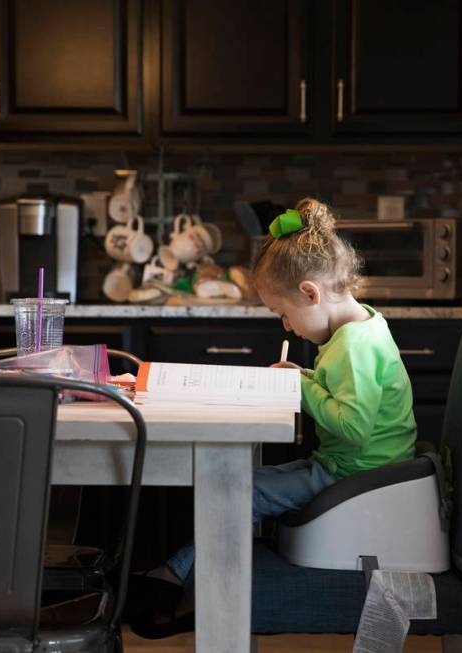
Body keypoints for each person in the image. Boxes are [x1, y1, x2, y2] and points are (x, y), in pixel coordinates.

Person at [129, 198, 418, 637]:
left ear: (310, 292)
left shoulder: (352, 347)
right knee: (249, 483)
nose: (286, 326)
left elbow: (354, 428)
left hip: (359, 475)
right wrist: (306, 377)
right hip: (357, 467)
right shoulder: (364, 329)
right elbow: (348, 400)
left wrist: (302, 387)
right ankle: (182, 577)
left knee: (241, 491)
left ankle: (180, 584)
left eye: (284, 313)